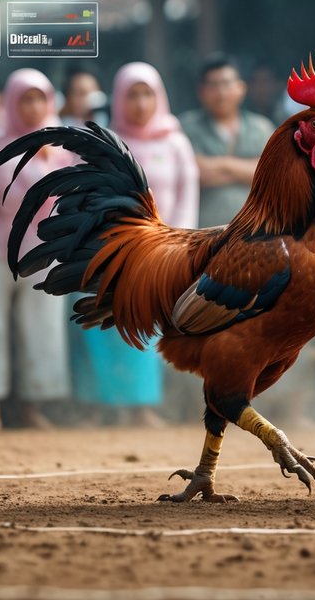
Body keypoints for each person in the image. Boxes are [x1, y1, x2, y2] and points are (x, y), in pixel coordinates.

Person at [69, 62, 196, 426]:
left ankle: (141, 406)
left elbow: (188, 196)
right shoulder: (106, 141)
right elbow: (87, 194)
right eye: (132, 95)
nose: (140, 103)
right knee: (102, 326)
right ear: (119, 98)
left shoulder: (175, 142)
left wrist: (177, 244)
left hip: (160, 251)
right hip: (110, 248)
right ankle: (100, 406)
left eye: (147, 94)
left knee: (147, 324)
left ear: (159, 97)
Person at [0, 69, 74, 432]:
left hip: (44, 253)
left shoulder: (63, 147)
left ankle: (32, 407)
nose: (32, 107)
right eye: (24, 99)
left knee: (41, 329)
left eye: (39, 99)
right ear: (10, 102)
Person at [178, 55, 274, 228]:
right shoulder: (185, 128)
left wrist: (218, 166)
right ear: (201, 90)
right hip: (203, 237)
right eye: (213, 85)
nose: (221, 92)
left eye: (227, 84)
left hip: (257, 233)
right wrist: (250, 168)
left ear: (241, 88)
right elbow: (197, 172)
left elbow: (274, 175)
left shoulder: (262, 128)